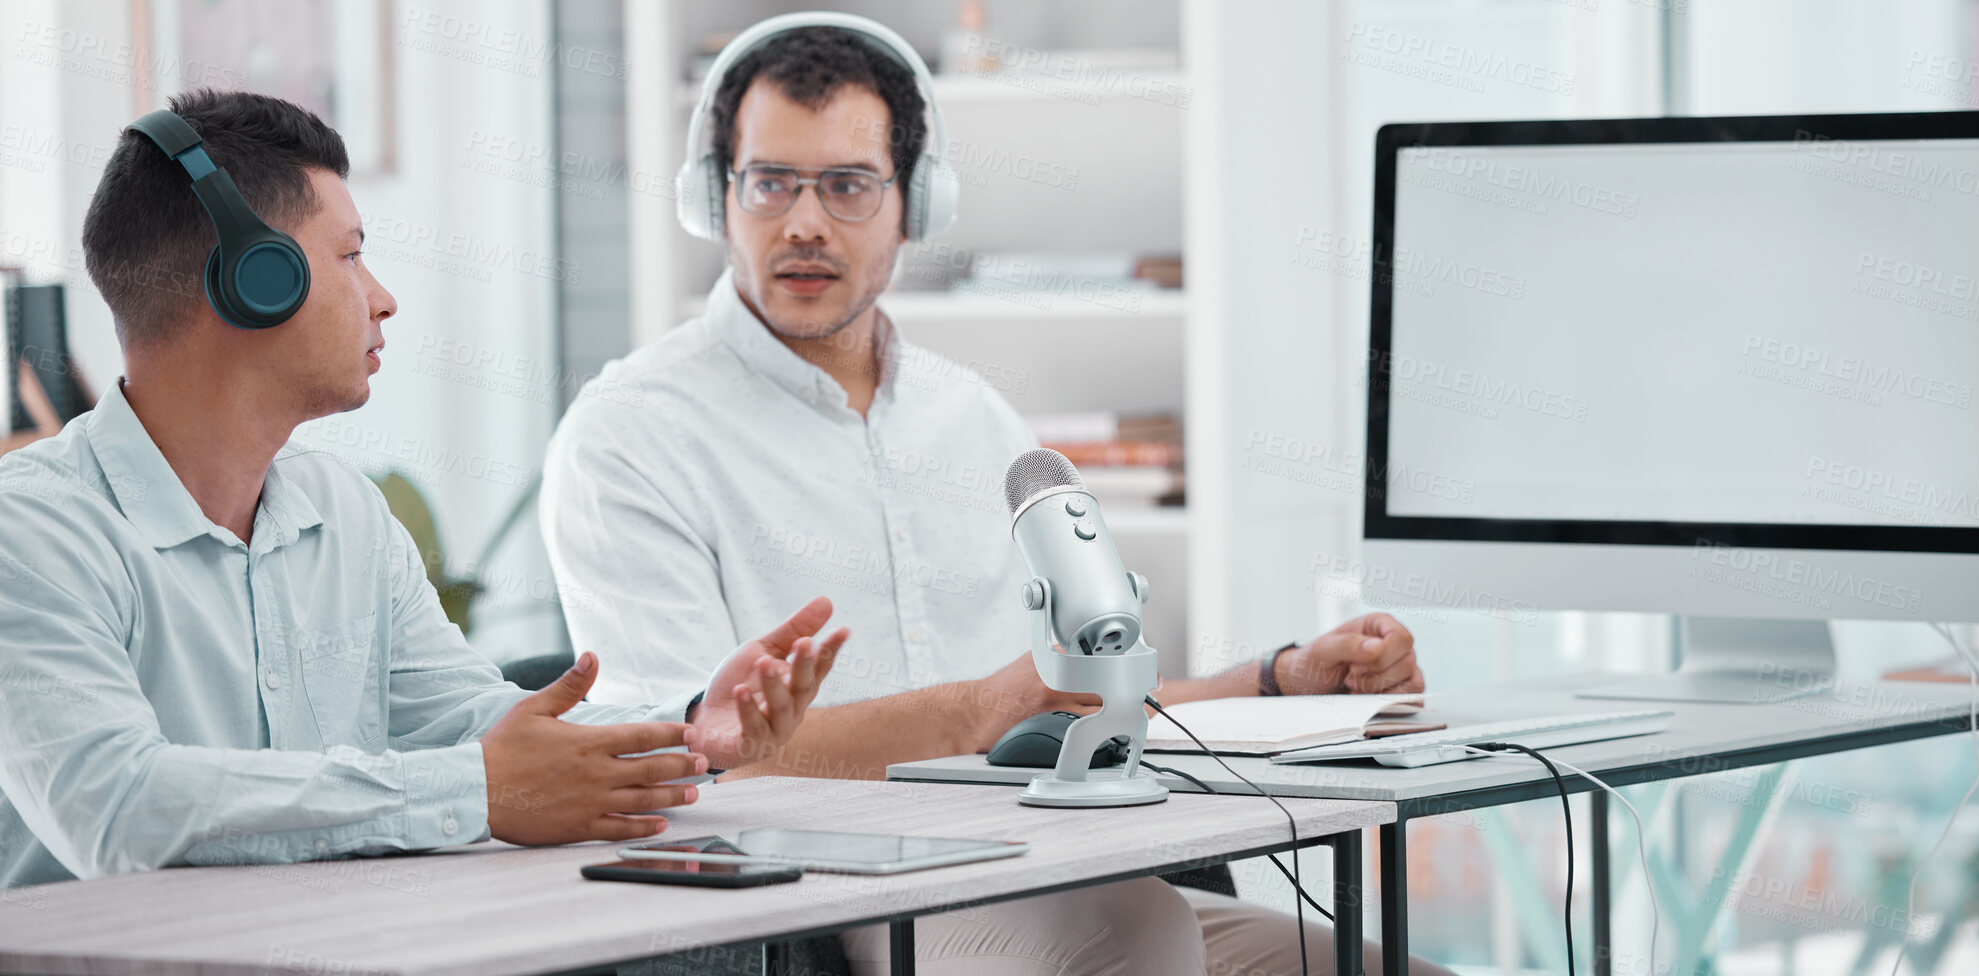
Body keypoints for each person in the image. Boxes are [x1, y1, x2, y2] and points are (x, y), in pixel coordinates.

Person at [540, 18, 1451, 976]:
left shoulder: (973, 420)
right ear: (715, 199)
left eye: (848, 185)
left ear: (916, 205)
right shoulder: (628, 436)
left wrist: (1275, 677)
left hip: (1050, 863)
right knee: (1136, 933)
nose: (803, 222)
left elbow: (1065, 691)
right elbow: (679, 756)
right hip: (827, 892)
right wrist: (980, 710)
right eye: (770, 182)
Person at [0, 89, 845, 892]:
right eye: (352, 255)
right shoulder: (33, 531)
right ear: (255, 280)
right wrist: (473, 792)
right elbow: (114, 806)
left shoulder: (344, 515)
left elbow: (472, 724)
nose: (384, 299)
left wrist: (693, 725)